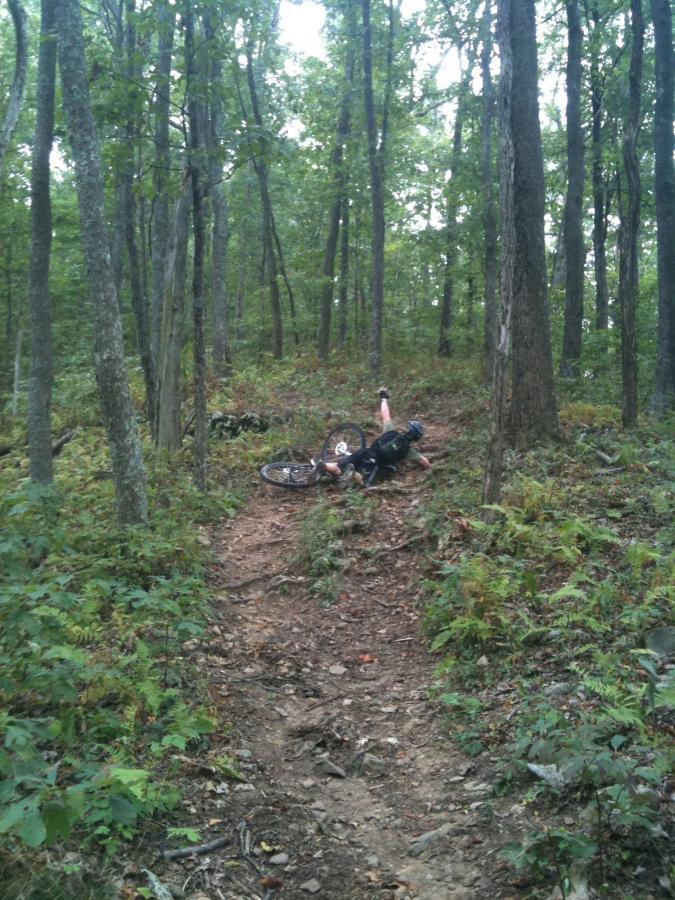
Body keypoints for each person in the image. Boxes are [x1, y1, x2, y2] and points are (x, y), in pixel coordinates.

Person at [320, 387, 432, 487]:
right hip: (373, 462)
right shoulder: (407, 451)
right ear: (415, 438)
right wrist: (431, 469)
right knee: (363, 482)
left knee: (339, 467)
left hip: (365, 452)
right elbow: (424, 462)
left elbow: (385, 414)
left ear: (407, 428)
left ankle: (323, 465)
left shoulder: (391, 432)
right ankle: (353, 474)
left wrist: (384, 398)